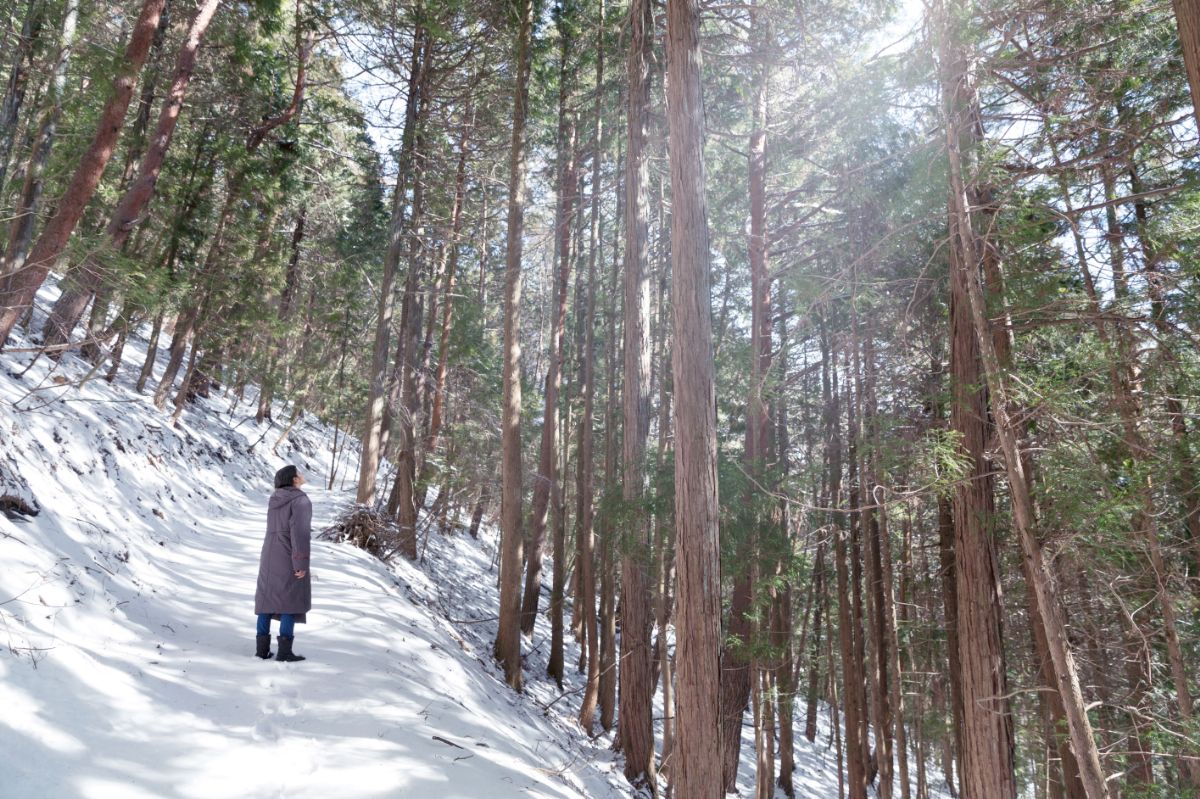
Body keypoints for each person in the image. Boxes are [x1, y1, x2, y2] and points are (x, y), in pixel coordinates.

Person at [254, 464, 312, 662]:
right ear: (294, 479)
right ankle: (285, 651)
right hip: (288, 554)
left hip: (269, 553)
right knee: (289, 600)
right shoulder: (300, 500)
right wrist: (301, 563)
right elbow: (300, 534)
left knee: (267, 600)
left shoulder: (275, 498)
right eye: (299, 473)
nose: (302, 475)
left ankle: (261, 650)